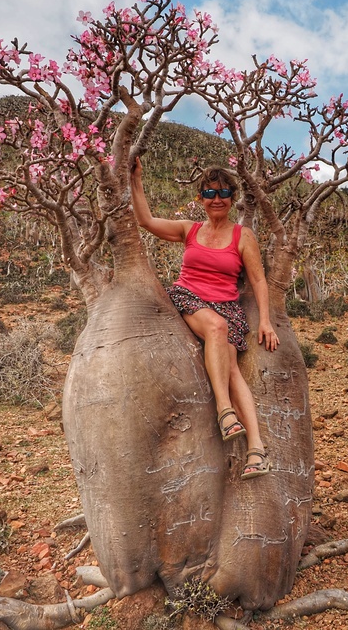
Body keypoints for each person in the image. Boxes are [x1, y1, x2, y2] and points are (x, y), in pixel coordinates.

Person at [131, 158, 278, 479]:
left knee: (233, 369)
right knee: (216, 327)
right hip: (189, 299)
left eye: (224, 192)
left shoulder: (243, 236)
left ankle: (257, 450)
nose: (217, 198)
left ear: (232, 197)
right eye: (210, 192)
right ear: (201, 198)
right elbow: (144, 220)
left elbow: (259, 280)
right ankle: (225, 412)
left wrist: (265, 321)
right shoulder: (190, 229)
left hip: (226, 306)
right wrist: (137, 179)